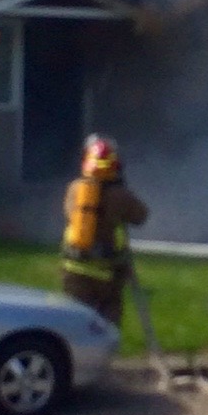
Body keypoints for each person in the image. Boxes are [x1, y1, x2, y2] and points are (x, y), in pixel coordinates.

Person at [61, 134, 148, 325]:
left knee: (76, 321)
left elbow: (68, 214)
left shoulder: (75, 189)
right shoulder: (120, 196)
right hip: (107, 272)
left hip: (74, 268)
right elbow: (141, 216)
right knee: (107, 324)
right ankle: (105, 345)